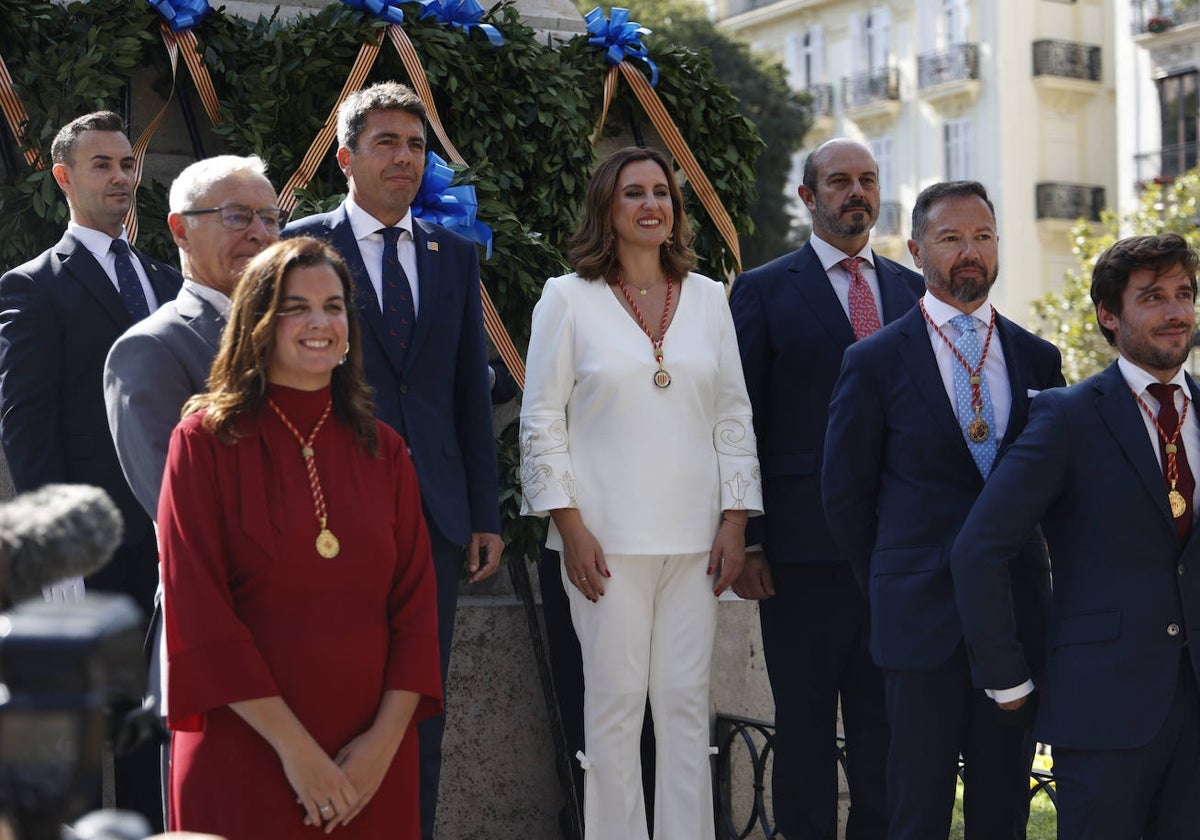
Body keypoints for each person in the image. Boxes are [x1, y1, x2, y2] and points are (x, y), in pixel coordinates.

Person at [158, 236, 442, 839]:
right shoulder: (203, 443)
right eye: (296, 307)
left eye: (334, 306)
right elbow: (200, 613)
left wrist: (380, 749)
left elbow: (417, 611)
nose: (320, 322)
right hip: (248, 752)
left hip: (370, 762)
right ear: (258, 321)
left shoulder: (385, 450)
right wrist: (300, 755)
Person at [520, 146, 762, 840]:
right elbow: (541, 423)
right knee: (614, 710)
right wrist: (570, 529)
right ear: (606, 207)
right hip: (604, 545)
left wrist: (735, 521)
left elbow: (733, 415)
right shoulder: (566, 298)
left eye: (663, 192)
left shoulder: (712, 298)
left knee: (686, 707)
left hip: (698, 543)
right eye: (634, 193)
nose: (652, 204)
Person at [282, 82, 501, 836]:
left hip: (433, 519)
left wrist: (483, 513)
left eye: (415, 145)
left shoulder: (455, 255)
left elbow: (468, 395)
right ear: (345, 157)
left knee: (420, 707)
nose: (405, 157)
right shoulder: (302, 246)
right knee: (331, 700)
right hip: (329, 513)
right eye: (387, 143)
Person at [822, 180, 1065, 840]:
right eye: (952, 238)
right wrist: (891, 583)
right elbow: (844, 498)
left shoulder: (1039, 359)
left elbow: (1057, 496)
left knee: (1003, 811)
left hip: (1013, 624)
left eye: (983, 237)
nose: (970, 253)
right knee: (916, 811)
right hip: (918, 623)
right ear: (916, 248)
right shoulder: (871, 361)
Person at [951, 233, 1200, 840]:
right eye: (1153, 297)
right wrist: (1006, 678)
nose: (1175, 312)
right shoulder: (1068, 416)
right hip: (1103, 709)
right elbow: (979, 548)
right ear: (1108, 316)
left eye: (1185, 294)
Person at [729, 137, 922, 840]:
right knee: (805, 732)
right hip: (799, 558)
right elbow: (738, 421)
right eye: (839, 181)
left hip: (895, 558)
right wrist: (748, 538)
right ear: (808, 198)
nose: (856, 193)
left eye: (867, 180)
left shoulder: (911, 291)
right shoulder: (761, 290)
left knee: (885, 731)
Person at [0, 109, 182, 829]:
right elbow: (26, 424)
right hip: (93, 549)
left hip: (171, 539)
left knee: (154, 725)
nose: (120, 177)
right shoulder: (33, 285)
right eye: (102, 164)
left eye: (128, 164)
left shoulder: (168, 281)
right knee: (80, 738)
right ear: (64, 176)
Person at [102, 153, 281, 824]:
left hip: (315, 646)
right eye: (236, 216)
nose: (259, 234)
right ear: (178, 228)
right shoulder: (150, 349)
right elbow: (177, 513)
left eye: (269, 216)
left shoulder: (312, 340)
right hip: (219, 643)